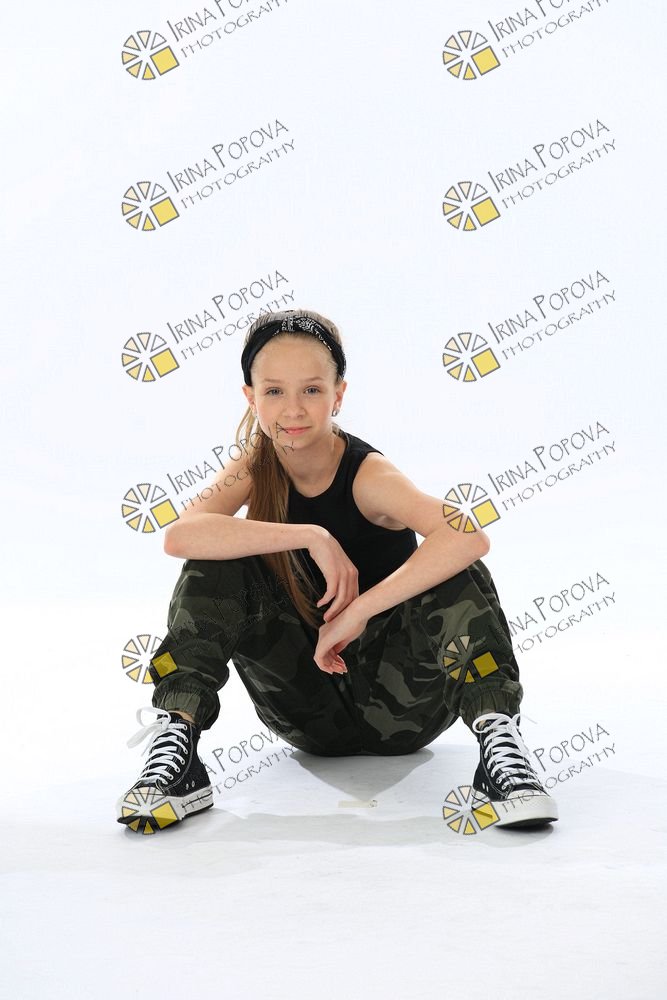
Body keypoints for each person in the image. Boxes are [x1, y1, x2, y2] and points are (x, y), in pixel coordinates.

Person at [116, 309, 558, 835]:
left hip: (405, 707)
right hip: (305, 711)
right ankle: (179, 752)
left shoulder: (368, 474)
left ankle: (501, 754)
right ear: (251, 398)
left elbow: (469, 534)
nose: (293, 409)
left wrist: (361, 610)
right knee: (214, 561)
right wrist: (311, 535)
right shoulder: (254, 467)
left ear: (338, 395)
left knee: (456, 567)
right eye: (274, 391)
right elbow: (180, 536)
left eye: (311, 389)